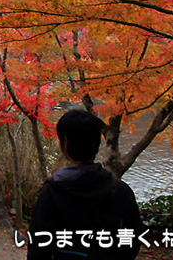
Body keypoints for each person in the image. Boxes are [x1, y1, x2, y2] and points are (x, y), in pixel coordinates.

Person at [27, 109, 144, 259]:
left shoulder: (53, 191)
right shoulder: (121, 191)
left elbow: (38, 247)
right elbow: (132, 242)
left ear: (65, 143)